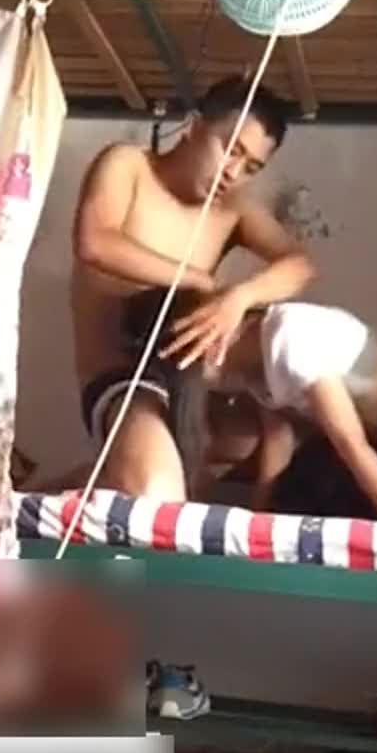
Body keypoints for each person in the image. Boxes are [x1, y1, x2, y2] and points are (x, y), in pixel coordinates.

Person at [71, 77, 315, 500]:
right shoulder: (129, 165)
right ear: (195, 127)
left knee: (303, 427)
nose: (233, 172)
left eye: (251, 167)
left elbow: (300, 264)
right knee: (157, 491)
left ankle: (108, 481)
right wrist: (198, 279)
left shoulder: (231, 210)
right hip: (124, 380)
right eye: (231, 149)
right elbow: (95, 242)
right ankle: (103, 479)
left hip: (191, 381)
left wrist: (239, 298)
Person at [184, 300, 377, 525]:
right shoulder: (251, 363)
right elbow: (279, 439)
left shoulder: (291, 341)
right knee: (297, 481)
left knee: (312, 476)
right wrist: (258, 523)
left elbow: (353, 446)